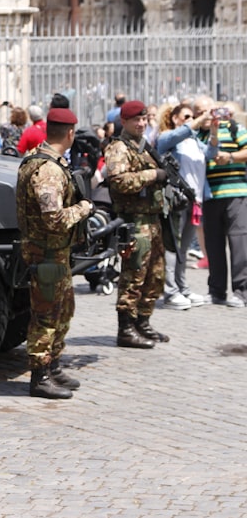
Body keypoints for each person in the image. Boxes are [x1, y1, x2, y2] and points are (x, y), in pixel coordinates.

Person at [16, 107, 94, 399]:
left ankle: (54, 366)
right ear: (70, 133)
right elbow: (54, 218)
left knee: (63, 310)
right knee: (46, 316)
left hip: (55, 252)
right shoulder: (47, 169)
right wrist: (84, 208)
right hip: (46, 252)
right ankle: (40, 376)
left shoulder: (42, 159)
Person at [103, 100, 169, 348]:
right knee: (134, 276)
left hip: (152, 220)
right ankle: (126, 329)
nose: (141, 124)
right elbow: (118, 180)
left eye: (144, 120)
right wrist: (152, 175)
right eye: (136, 121)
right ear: (124, 122)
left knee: (155, 275)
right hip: (134, 222)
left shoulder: (143, 146)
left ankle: (143, 322)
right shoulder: (119, 148)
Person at [154, 103, 215, 310]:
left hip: (195, 199)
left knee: (184, 247)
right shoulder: (168, 137)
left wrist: (214, 129)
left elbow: (212, 153)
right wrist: (197, 120)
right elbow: (166, 141)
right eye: (186, 116)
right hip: (177, 199)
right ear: (175, 119)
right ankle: (170, 292)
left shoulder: (195, 141)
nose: (191, 119)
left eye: (192, 116)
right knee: (172, 246)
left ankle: (182, 287)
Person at [193, 96, 247, 308]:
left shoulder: (234, 128)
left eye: (208, 110)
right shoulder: (198, 135)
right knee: (213, 245)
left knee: (239, 242)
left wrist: (231, 157)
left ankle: (242, 291)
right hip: (209, 195)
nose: (205, 115)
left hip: (236, 193)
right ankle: (216, 290)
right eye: (198, 112)